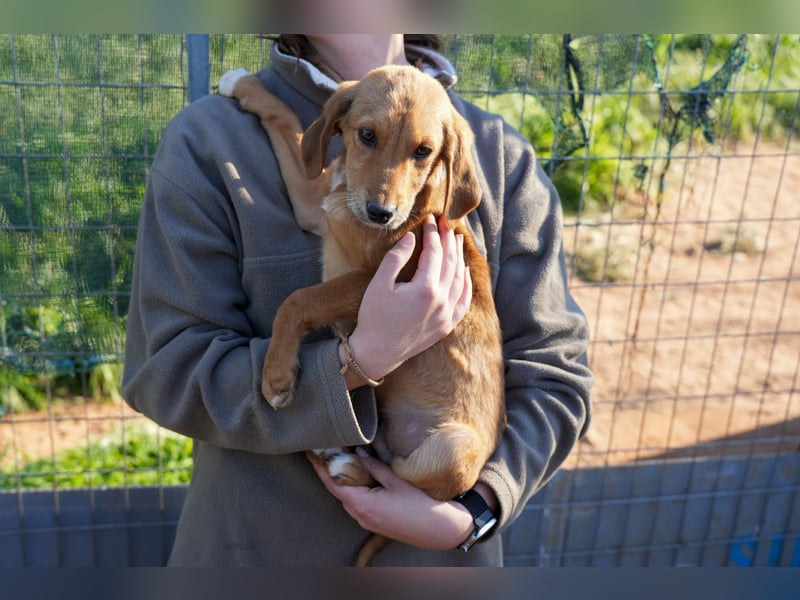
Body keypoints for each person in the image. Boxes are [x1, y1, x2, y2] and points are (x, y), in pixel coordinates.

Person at [121, 33, 593, 566]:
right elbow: (166, 372)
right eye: (366, 137)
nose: (389, 185)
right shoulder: (206, 143)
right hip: (255, 555)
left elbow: (556, 373)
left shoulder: (498, 154)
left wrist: (476, 509)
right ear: (343, 127)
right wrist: (356, 361)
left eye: (419, 153)